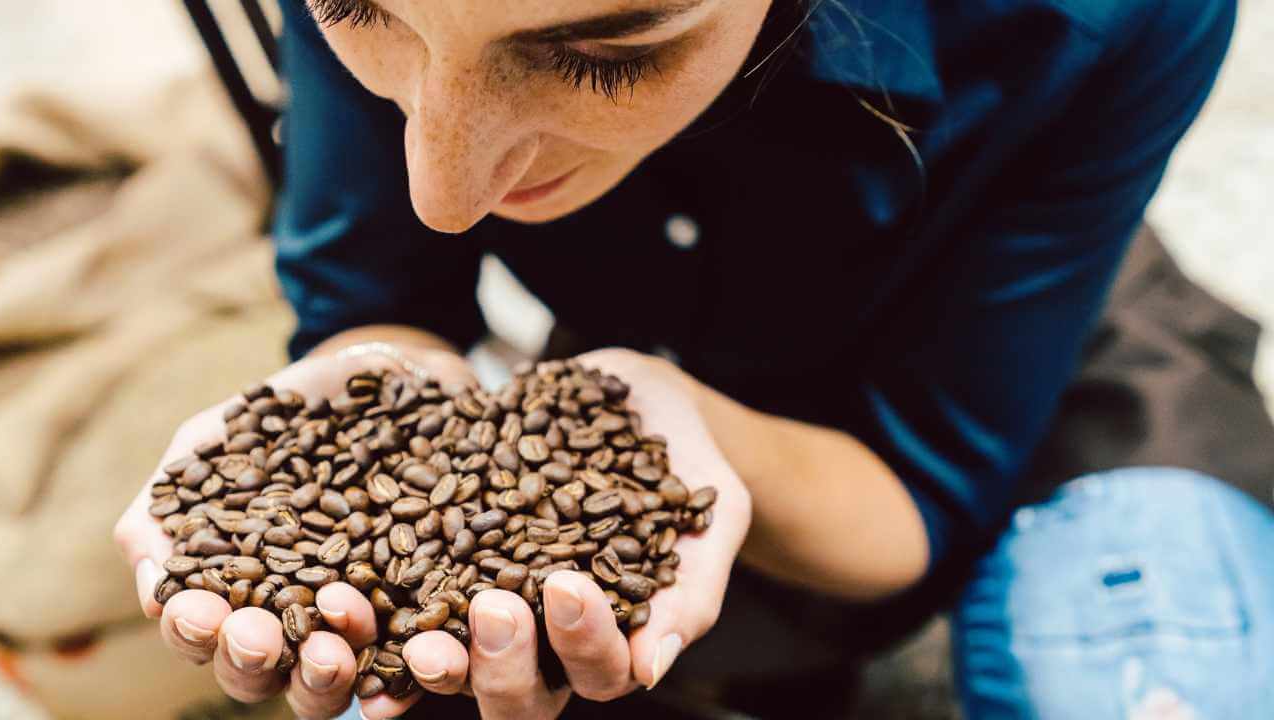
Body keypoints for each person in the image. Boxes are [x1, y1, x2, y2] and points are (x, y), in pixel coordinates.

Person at [113, 0, 1274, 717]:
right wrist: (369, 394)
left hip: (1038, 346)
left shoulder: (1102, 16)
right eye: (356, 4)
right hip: (662, 339)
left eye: (603, 52)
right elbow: (375, 304)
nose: (443, 190)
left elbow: (922, 494)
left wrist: (700, 434)